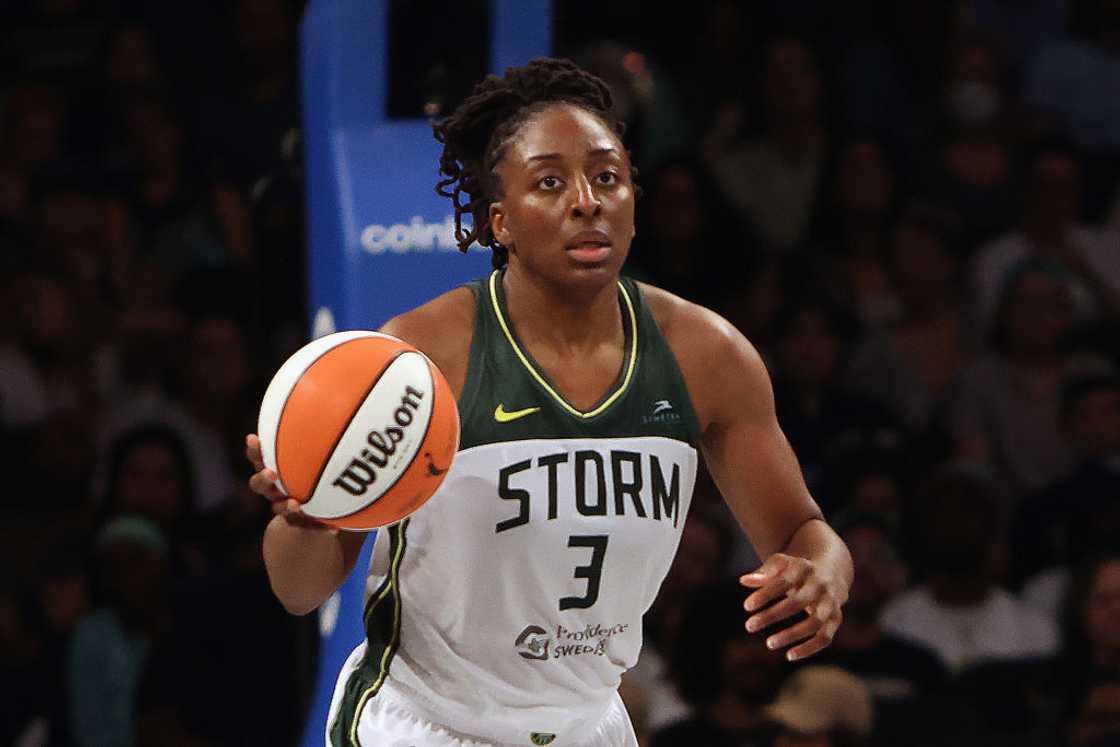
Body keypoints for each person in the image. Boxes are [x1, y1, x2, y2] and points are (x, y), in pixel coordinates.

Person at [245, 58, 853, 746]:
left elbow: (803, 530)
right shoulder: (422, 356)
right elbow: (298, 590)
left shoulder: (705, 354)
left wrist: (823, 571)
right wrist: (307, 516)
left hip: (588, 721)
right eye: (549, 182)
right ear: (499, 219)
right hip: (428, 723)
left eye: (606, 177)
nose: (586, 200)